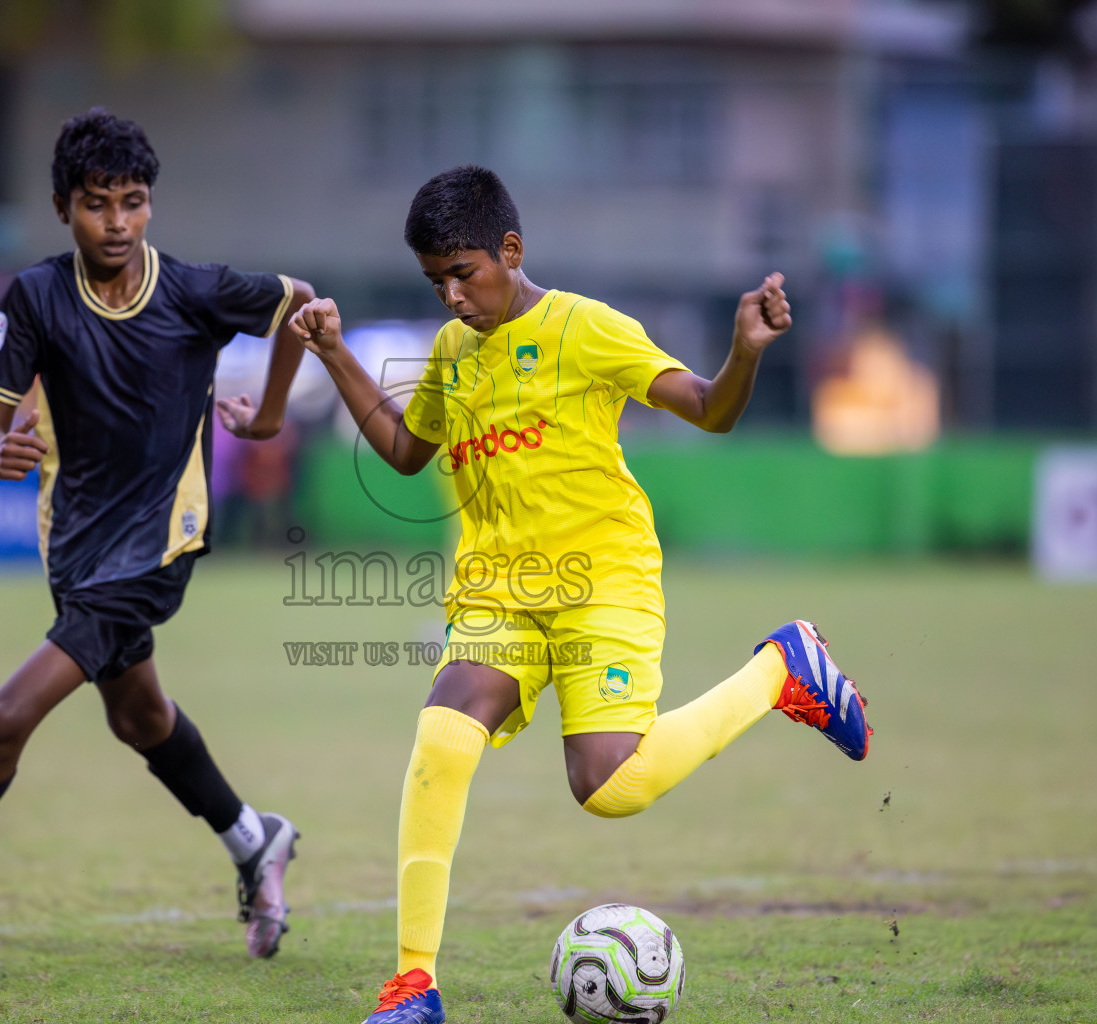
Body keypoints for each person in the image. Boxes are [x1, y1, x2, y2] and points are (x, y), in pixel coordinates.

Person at [290, 166, 874, 1023]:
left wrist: (744, 351)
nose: (452, 296)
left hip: (605, 579)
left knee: (609, 786)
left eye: (464, 273)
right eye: (436, 281)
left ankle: (784, 671)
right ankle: (414, 984)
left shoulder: (586, 328)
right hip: (499, 593)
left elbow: (710, 410)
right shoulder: (454, 352)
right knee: (443, 738)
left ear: (511, 250)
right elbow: (408, 452)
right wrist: (335, 352)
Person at [0, 109, 314, 959]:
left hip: (158, 545)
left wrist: (265, 418)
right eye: (96, 204)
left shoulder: (194, 290)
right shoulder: (37, 297)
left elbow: (301, 304)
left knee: (3, 721)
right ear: (61, 206)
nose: (116, 222)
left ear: (151, 205)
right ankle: (252, 838)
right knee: (140, 717)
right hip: (76, 547)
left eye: (133, 202)